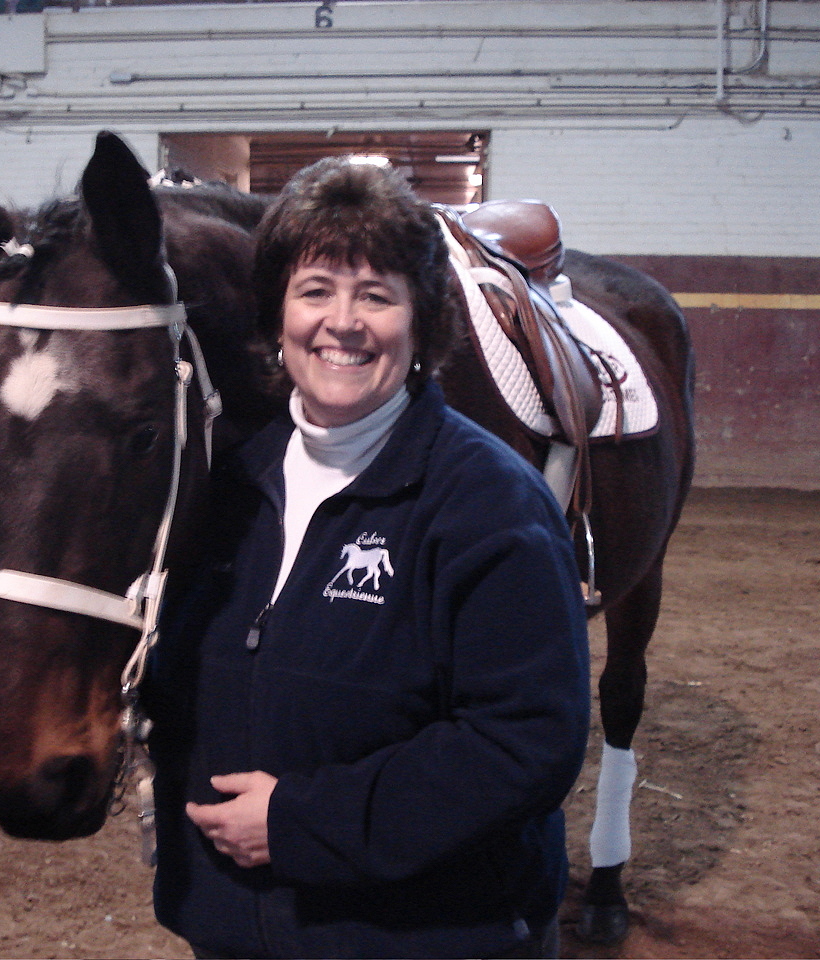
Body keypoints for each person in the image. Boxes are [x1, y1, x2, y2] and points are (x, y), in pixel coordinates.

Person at [145, 156, 591, 959]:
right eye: (315, 290)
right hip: (240, 933)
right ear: (275, 316)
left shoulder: (491, 505)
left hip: (428, 937)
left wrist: (301, 824)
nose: (341, 322)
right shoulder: (230, 491)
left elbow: (526, 744)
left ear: (421, 323)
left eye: (376, 295)